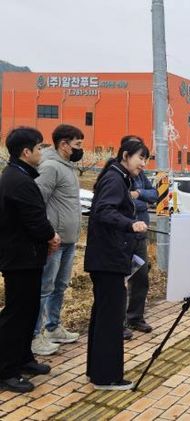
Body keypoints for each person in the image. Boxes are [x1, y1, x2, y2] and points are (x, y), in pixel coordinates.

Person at [84, 139, 149, 390]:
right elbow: (103, 211)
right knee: (110, 318)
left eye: (145, 159)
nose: (143, 164)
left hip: (106, 258)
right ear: (125, 155)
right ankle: (106, 377)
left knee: (104, 315)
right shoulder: (114, 179)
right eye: (140, 157)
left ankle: (97, 371)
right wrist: (130, 224)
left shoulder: (118, 176)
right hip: (108, 259)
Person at [0, 127, 61, 393]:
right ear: (26, 152)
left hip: (28, 256)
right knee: (17, 313)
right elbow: (35, 219)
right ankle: (6, 371)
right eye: (38, 148)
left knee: (29, 311)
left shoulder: (20, 176)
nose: (41, 153)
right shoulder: (18, 181)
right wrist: (51, 236)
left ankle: (23, 358)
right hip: (20, 258)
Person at [32, 125, 84, 356]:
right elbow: (36, 202)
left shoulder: (67, 166)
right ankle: (35, 335)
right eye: (77, 144)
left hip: (69, 240)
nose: (80, 149)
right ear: (64, 144)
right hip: (54, 241)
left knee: (59, 287)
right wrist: (48, 234)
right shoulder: (50, 167)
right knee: (45, 288)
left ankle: (53, 327)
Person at [122, 136, 159, 339]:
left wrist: (138, 194)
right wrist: (140, 201)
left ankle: (135, 317)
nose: (143, 161)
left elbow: (154, 194)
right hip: (124, 234)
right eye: (140, 156)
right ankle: (118, 322)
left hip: (140, 235)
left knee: (141, 276)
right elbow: (124, 202)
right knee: (121, 279)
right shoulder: (117, 175)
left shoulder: (140, 174)